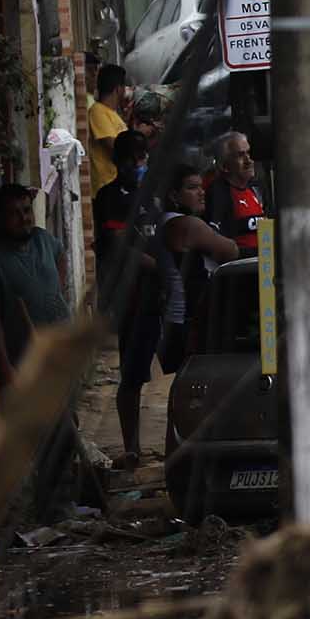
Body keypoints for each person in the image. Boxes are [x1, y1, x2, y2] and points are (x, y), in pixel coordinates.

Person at [117, 164, 240, 469]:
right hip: (186, 320)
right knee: (196, 388)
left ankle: (159, 452)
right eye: (192, 187)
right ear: (174, 195)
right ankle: (185, 454)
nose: (201, 192)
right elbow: (231, 251)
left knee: (178, 388)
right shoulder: (187, 226)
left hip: (172, 317)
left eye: (201, 186)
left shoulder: (165, 223)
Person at [0, 182, 72, 396]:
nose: (24, 219)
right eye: (14, 213)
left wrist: (56, 294)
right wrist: (4, 371)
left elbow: (61, 256)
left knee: (65, 419)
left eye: (27, 210)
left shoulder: (43, 239)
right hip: (24, 360)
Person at [93, 128, 148, 309]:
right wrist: (159, 265)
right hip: (124, 290)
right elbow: (118, 245)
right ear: (116, 161)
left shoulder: (155, 193)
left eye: (140, 157)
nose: (135, 164)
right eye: (129, 159)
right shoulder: (109, 196)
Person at [205, 130, 270, 253]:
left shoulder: (257, 189)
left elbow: (267, 228)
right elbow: (215, 241)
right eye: (240, 155)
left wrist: (268, 265)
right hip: (237, 268)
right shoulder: (218, 193)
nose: (249, 161)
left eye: (248, 154)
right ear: (224, 166)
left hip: (264, 266)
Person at [88, 64, 131, 191]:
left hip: (116, 186)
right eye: (124, 86)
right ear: (118, 89)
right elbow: (115, 146)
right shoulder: (97, 111)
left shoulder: (112, 114)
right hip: (105, 188)